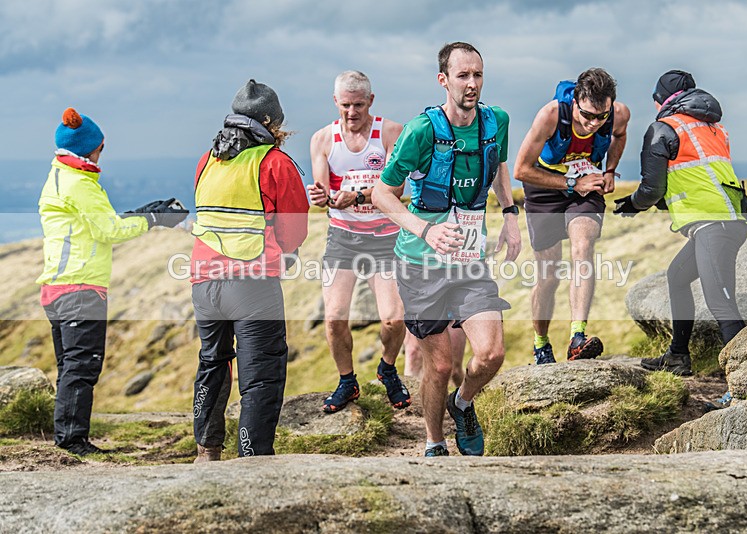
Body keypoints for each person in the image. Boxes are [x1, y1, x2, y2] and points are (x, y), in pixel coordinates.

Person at [373, 42, 522, 457]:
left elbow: (500, 166)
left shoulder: (497, 121)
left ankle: (464, 402)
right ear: (444, 79)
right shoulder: (421, 131)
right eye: (463, 75)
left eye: (477, 75)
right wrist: (425, 230)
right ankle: (434, 442)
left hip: (470, 261)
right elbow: (382, 193)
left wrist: (510, 213)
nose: (472, 83)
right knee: (438, 366)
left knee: (490, 353)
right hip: (421, 264)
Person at [38, 108, 188, 456]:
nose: (101, 153)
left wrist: (145, 212)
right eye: (100, 147)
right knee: (82, 367)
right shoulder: (80, 185)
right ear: (88, 148)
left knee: (70, 368)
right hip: (80, 288)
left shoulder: (60, 176)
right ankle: (73, 443)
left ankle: (67, 438)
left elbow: (98, 222)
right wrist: (152, 219)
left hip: (57, 288)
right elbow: (110, 230)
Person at [190, 79, 309, 461]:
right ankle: (251, 457)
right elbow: (294, 232)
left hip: (204, 282)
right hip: (251, 284)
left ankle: (206, 451)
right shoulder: (274, 163)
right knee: (261, 375)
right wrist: (283, 252)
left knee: (212, 363)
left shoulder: (207, 160)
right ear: (271, 122)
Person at [613, 70, 747, 389]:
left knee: (720, 303)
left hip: (713, 223)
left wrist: (633, 204)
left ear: (661, 99)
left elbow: (650, 188)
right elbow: (699, 177)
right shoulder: (713, 127)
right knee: (677, 276)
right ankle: (677, 356)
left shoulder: (664, 128)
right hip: (729, 217)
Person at [306, 71, 411, 414]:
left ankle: (387, 368)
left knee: (394, 319)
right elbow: (324, 194)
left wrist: (360, 195)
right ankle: (347, 381)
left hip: (385, 238)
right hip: (343, 239)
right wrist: (323, 196)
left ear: (371, 101)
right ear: (335, 102)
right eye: (345, 105)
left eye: (359, 105)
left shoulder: (391, 134)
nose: (352, 113)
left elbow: (396, 189)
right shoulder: (323, 139)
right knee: (335, 318)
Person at [514, 68, 630, 364]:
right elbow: (521, 170)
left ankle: (577, 337)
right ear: (576, 101)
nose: (593, 124)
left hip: (586, 182)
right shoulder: (551, 115)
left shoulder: (618, 114)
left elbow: (619, 134)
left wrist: (609, 170)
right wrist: (570, 183)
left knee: (583, 247)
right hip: (544, 185)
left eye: (600, 117)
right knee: (548, 276)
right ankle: (541, 343)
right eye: (587, 115)